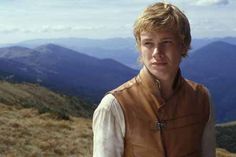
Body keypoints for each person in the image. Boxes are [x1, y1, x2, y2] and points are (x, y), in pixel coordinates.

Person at [93, 2, 215, 157]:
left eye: (166, 42)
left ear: (183, 45)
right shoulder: (114, 106)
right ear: (140, 47)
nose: (157, 52)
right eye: (148, 43)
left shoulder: (202, 98)